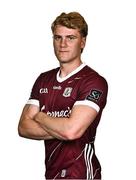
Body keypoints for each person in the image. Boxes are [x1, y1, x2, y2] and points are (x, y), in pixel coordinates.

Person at [18, 11, 108, 180]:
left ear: (83, 42)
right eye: (57, 37)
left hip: (81, 173)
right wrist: (64, 125)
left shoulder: (94, 81)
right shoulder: (43, 79)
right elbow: (23, 127)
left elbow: (71, 132)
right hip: (51, 174)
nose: (63, 44)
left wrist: (40, 116)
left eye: (70, 38)